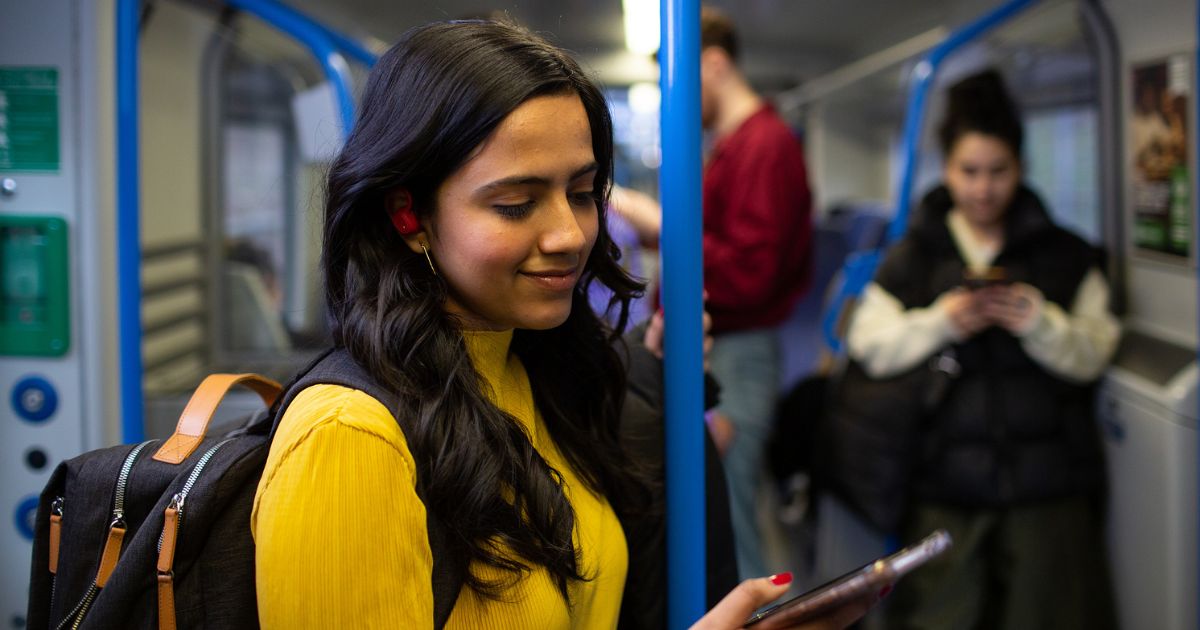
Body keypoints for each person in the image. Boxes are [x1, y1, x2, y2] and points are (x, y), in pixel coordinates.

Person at [251, 19, 872, 629]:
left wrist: (652, 373)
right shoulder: (348, 441)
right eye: (515, 204)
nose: (570, 236)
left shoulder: (542, 373)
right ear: (409, 217)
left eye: (581, 194)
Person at [844, 69, 1120, 630]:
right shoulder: (915, 255)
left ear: (1020, 168)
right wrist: (941, 323)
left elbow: (1094, 351)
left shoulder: (1065, 255)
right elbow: (869, 346)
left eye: (999, 171)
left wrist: (1039, 323)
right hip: (945, 485)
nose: (983, 189)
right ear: (946, 169)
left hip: (1047, 488)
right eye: (969, 171)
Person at [611, 6, 814, 581]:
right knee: (715, 511)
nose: (672, 99)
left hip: (736, 352)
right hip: (717, 345)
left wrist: (663, 225)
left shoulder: (764, 146)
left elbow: (752, 271)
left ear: (715, 65)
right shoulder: (732, 146)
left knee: (731, 518)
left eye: (678, 80)